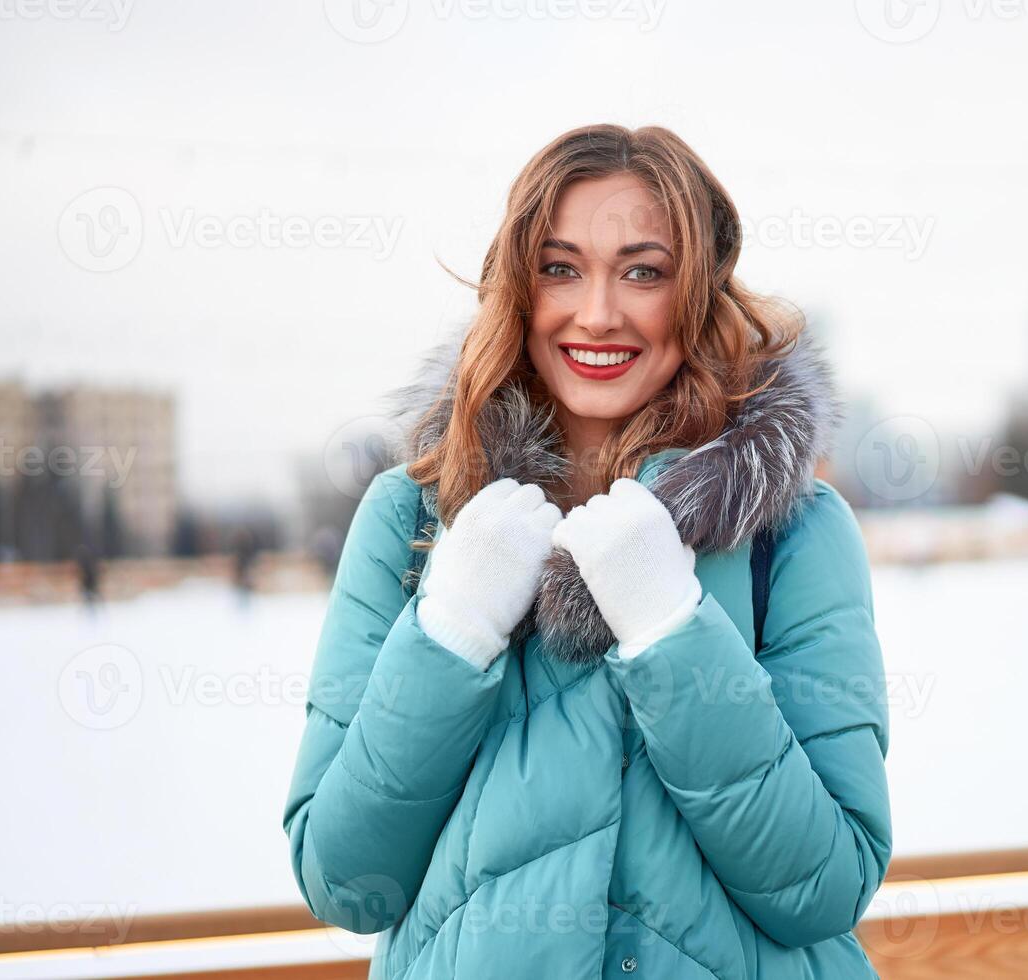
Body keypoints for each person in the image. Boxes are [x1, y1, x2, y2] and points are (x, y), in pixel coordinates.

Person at [282, 124, 892, 979]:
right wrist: (451, 631)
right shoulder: (409, 522)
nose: (598, 313)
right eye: (560, 267)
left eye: (644, 271)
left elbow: (822, 887)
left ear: (697, 294)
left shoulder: (791, 531)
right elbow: (345, 881)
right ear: (516, 288)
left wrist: (671, 624)